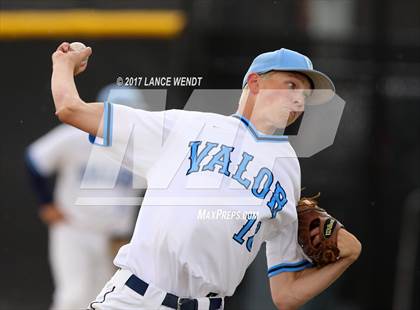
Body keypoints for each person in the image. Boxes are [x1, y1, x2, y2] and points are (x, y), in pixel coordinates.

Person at [50, 43, 361, 310]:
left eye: (305, 95)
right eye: (291, 85)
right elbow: (70, 109)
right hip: (136, 299)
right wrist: (62, 65)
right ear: (254, 84)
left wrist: (346, 258)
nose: (299, 101)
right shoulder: (184, 127)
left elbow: (286, 296)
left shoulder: (288, 169)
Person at [25, 84, 148, 310]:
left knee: (106, 301)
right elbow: (35, 160)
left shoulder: (141, 147)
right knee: (73, 297)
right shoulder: (75, 135)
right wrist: (46, 204)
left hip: (114, 238)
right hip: (74, 229)